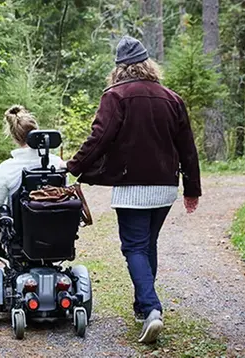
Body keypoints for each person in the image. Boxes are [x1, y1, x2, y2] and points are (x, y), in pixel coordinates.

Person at [65, 36, 201, 343]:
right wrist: (191, 187)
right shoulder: (172, 98)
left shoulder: (116, 96)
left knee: (134, 247)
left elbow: (99, 138)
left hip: (132, 186)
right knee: (147, 244)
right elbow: (187, 148)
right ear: (148, 65)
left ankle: (152, 309)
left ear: (119, 68)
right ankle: (142, 307)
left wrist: (72, 167)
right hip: (166, 186)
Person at [0, 105, 63, 209]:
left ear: (14, 138)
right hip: (59, 223)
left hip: (22, 224)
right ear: (38, 132)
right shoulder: (56, 162)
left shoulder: (7, 167)